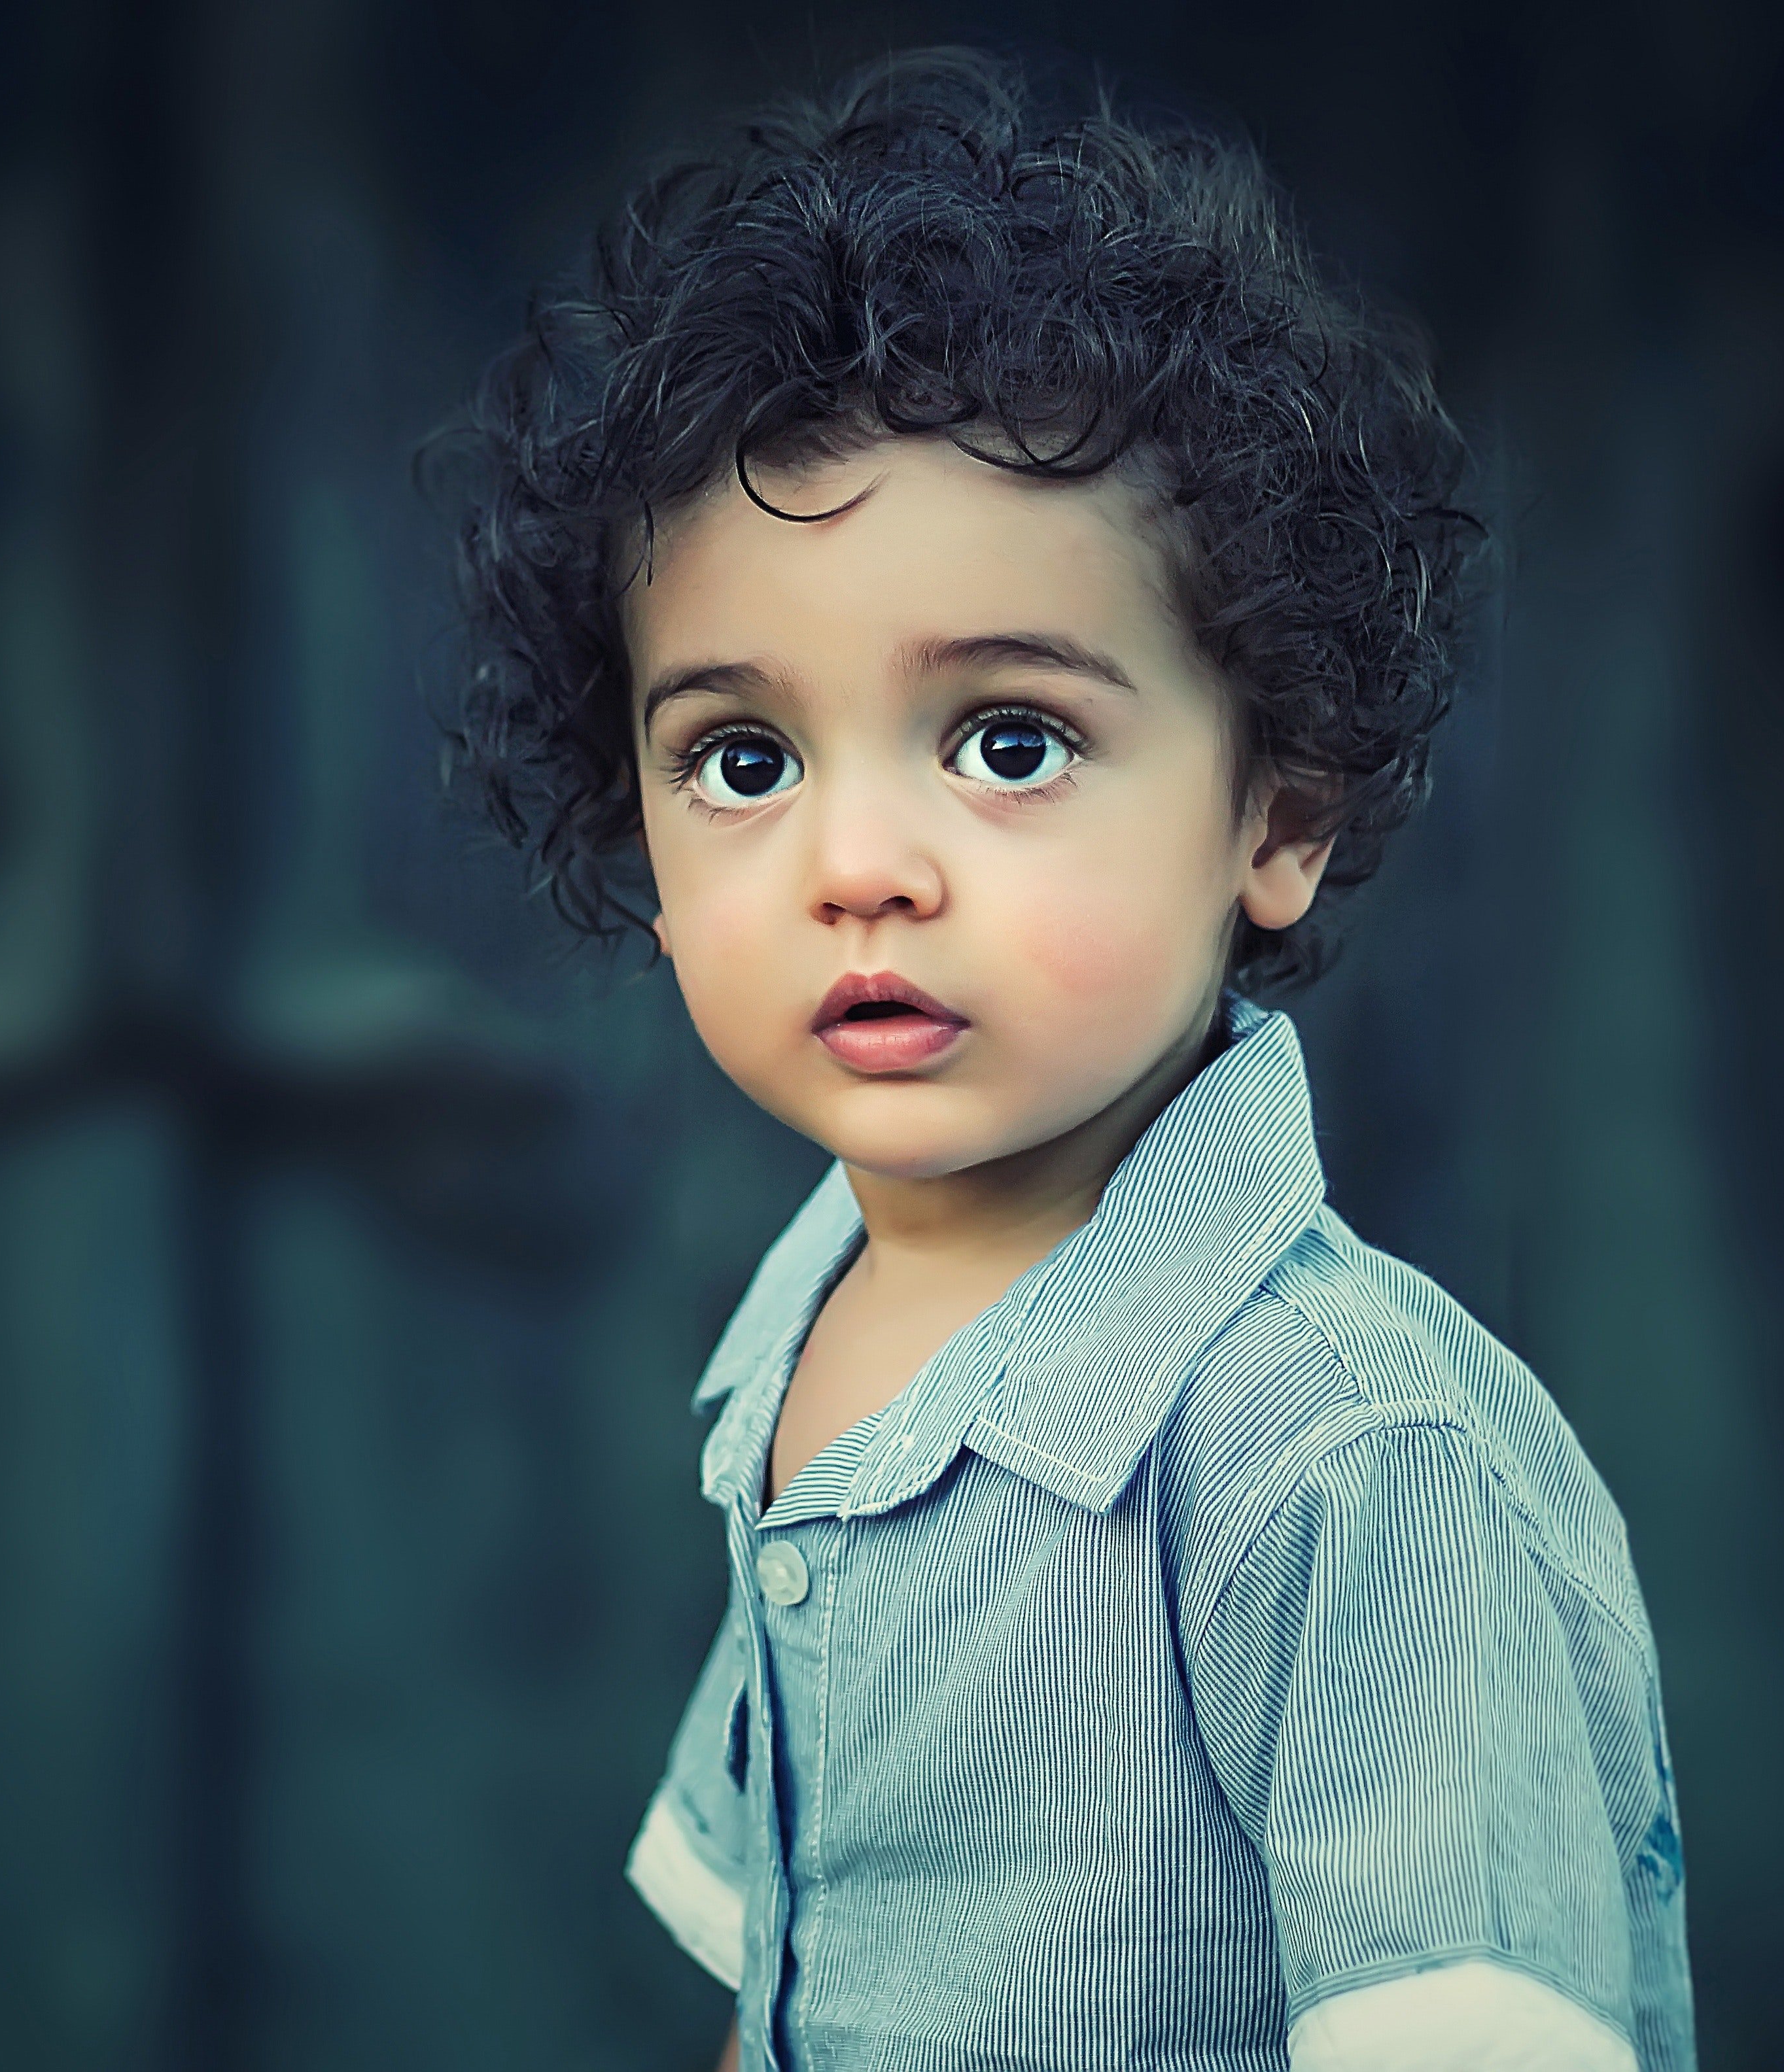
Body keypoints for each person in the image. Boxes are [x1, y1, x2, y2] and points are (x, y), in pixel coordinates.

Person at [434, 48, 1692, 2072]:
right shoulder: (805, 1330)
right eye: (741, 760)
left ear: (1270, 813)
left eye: (1007, 741)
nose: (856, 867)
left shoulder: (1340, 1454)